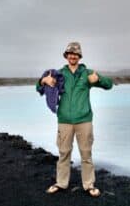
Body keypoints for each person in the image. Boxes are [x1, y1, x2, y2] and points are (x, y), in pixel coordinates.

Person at [36, 42, 113, 197]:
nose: (73, 56)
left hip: (84, 120)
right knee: (64, 153)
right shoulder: (58, 74)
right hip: (64, 120)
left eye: (76, 54)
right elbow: (39, 88)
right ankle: (61, 183)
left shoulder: (87, 73)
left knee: (86, 154)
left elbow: (109, 84)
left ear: (79, 56)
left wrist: (97, 79)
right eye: (70, 53)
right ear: (66, 56)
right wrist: (44, 81)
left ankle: (89, 185)